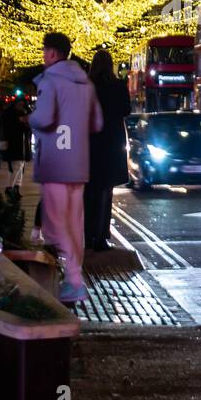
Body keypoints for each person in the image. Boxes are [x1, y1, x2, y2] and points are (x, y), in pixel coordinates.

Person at [27, 33, 102, 303]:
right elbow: (97, 124)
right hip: (79, 163)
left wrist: (30, 118)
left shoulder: (50, 81)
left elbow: (45, 118)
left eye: (45, 50)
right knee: (74, 223)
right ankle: (74, 275)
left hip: (56, 162)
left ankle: (73, 280)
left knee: (56, 224)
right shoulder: (86, 82)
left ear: (52, 53)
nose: (43, 55)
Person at [85, 50, 130, 251]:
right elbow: (126, 110)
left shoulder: (87, 86)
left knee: (89, 191)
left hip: (91, 143)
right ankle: (101, 236)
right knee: (106, 191)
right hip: (112, 143)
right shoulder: (118, 86)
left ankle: (87, 234)